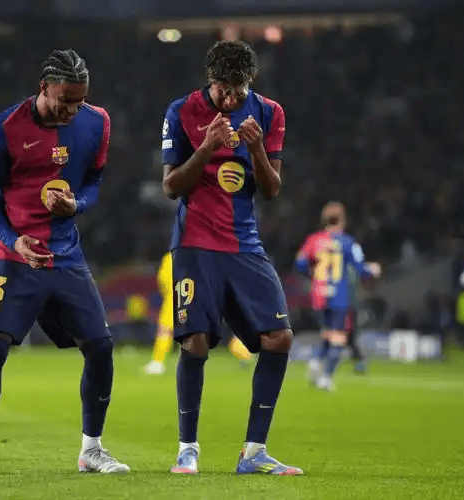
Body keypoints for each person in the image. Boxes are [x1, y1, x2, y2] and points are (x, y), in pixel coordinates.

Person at [0, 49, 129, 476]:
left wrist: (77, 205)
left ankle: (92, 450)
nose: (73, 110)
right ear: (44, 88)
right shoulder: (2, 130)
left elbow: (94, 182)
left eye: (80, 101)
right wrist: (13, 241)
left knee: (101, 347)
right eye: (65, 100)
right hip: (12, 256)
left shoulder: (97, 122)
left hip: (65, 254)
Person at [160, 40, 302, 476]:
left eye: (238, 91)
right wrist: (205, 148)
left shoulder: (269, 113)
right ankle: (187, 449)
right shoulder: (181, 111)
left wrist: (256, 150)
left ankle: (254, 452)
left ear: (250, 82)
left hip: (244, 243)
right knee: (196, 342)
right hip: (196, 243)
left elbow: (271, 190)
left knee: (280, 338)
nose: (229, 99)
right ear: (210, 80)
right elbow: (171, 187)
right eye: (223, 90)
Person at [295, 202, 380, 391]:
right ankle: (326, 377)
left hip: (319, 295)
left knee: (328, 333)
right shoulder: (347, 242)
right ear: (342, 220)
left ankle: (315, 361)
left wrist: (313, 275)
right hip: (338, 296)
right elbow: (360, 267)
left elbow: (299, 263)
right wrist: (373, 270)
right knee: (339, 337)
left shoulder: (313, 240)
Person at [144, 252, 252, 376]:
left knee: (166, 330)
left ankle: (158, 362)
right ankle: (242, 350)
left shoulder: (173, 257)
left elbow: (164, 281)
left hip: (177, 298)